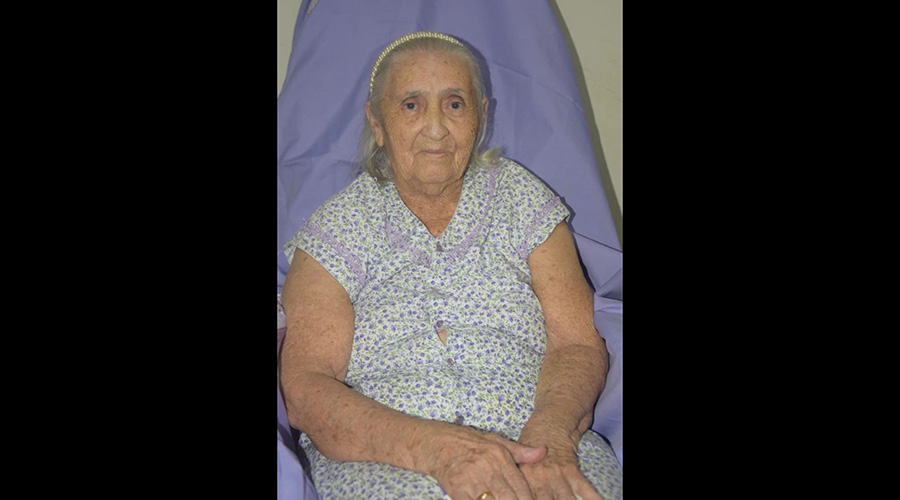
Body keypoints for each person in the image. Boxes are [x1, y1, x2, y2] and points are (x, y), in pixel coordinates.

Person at [279, 31, 623, 500]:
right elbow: (306, 385)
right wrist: (437, 450)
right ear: (377, 122)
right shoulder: (336, 227)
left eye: (455, 104)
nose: (436, 127)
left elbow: (576, 343)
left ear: (481, 115)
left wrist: (551, 440)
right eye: (411, 105)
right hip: (389, 459)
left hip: (542, 446)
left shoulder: (522, 198)